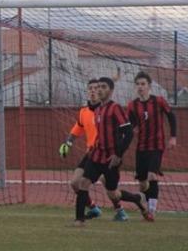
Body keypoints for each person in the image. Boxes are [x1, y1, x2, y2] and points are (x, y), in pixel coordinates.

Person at [71, 77, 151, 226]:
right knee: (83, 183)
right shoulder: (98, 110)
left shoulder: (115, 108)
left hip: (111, 158)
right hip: (96, 155)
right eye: (98, 87)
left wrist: (118, 154)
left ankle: (137, 199)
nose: (99, 89)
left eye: (103, 87)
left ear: (111, 90)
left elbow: (128, 132)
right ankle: (79, 219)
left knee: (113, 193)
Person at [127, 71, 177, 218]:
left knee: (152, 176)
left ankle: (152, 210)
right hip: (141, 147)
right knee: (142, 182)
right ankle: (144, 203)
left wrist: (173, 137)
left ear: (149, 86)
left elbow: (171, 117)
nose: (140, 87)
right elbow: (131, 124)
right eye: (138, 84)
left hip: (157, 146)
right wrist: (132, 129)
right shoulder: (132, 105)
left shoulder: (159, 101)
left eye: (143, 84)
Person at [59, 79, 102, 219]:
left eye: (96, 88)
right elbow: (75, 132)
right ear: (87, 91)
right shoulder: (83, 112)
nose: (93, 91)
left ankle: (121, 211)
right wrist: (67, 144)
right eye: (90, 88)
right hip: (90, 153)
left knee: (110, 187)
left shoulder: (107, 110)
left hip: (105, 154)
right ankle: (94, 208)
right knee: (75, 183)